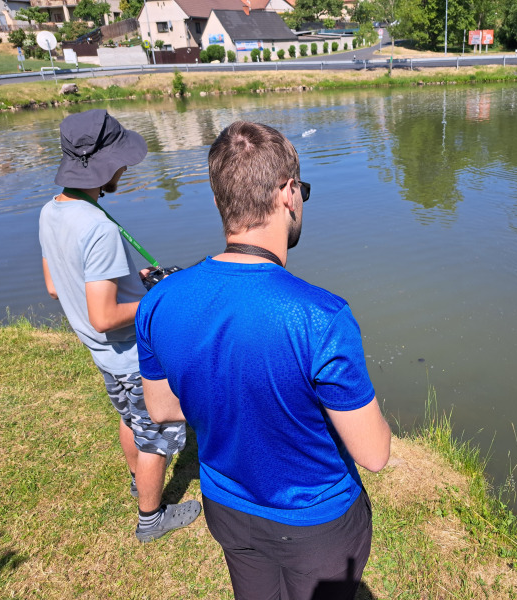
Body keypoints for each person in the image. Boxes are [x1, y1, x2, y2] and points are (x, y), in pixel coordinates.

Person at [136, 121, 391, 600]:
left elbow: (162, 408)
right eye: (302, 192)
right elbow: (374, 454)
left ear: (220, 200)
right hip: (318, 521)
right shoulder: (321, 316)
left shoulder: (158, 301)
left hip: (228, 508)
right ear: (289, 193)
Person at [38, 109, 201, 543]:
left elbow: (55, 286)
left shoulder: (51, 212)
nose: (126, 168)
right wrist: (157, 298)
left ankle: (137, 482)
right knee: (157, 436)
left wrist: (133, 280)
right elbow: (105, 316)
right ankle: (151, 519)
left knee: (130, 418)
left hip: (103, 355)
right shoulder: (98, 228)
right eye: (122, 160)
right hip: (132, 356)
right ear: (105, 163)